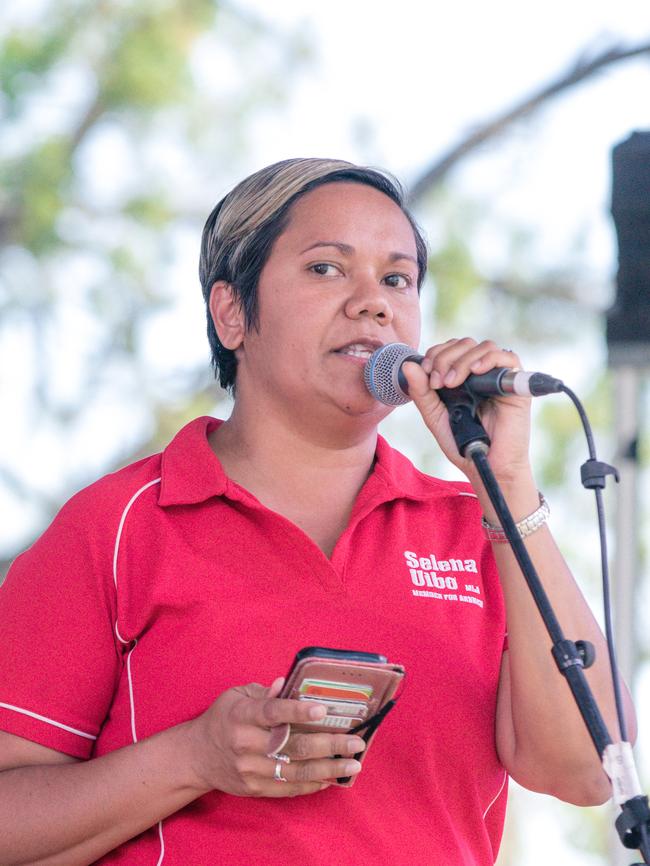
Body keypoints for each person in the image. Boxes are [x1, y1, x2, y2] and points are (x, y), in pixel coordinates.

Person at [0, 157, 637, 866]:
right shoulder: (118, 525)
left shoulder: (481, 529)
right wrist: (194, 758)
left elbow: (589, 772)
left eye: (397, 279)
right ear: (232, 314)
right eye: (327, 268)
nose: (373, 301)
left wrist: (509, 484)